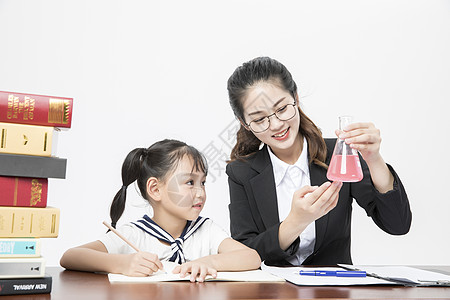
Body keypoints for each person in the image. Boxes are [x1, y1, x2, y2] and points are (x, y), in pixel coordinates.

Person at [225, 56, 412, 266]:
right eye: (259, 119)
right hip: (271, 294)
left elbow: (398, 224)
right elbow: (244, 253)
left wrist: (374, 159)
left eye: (282, 108)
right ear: (245, 123)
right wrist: (295, 222)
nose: (276, 124)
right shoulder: (241, 172)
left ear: (295, 97)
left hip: (334, 294)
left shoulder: (338, 155)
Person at [60, 139, 261, 282]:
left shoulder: (206, 230)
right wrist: (122, 264)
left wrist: (206, 262)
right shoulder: (134, 234)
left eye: (203, 183)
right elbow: (71, 256)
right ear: (155, 189)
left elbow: (251, 257)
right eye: (190, 182)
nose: (200, 193)